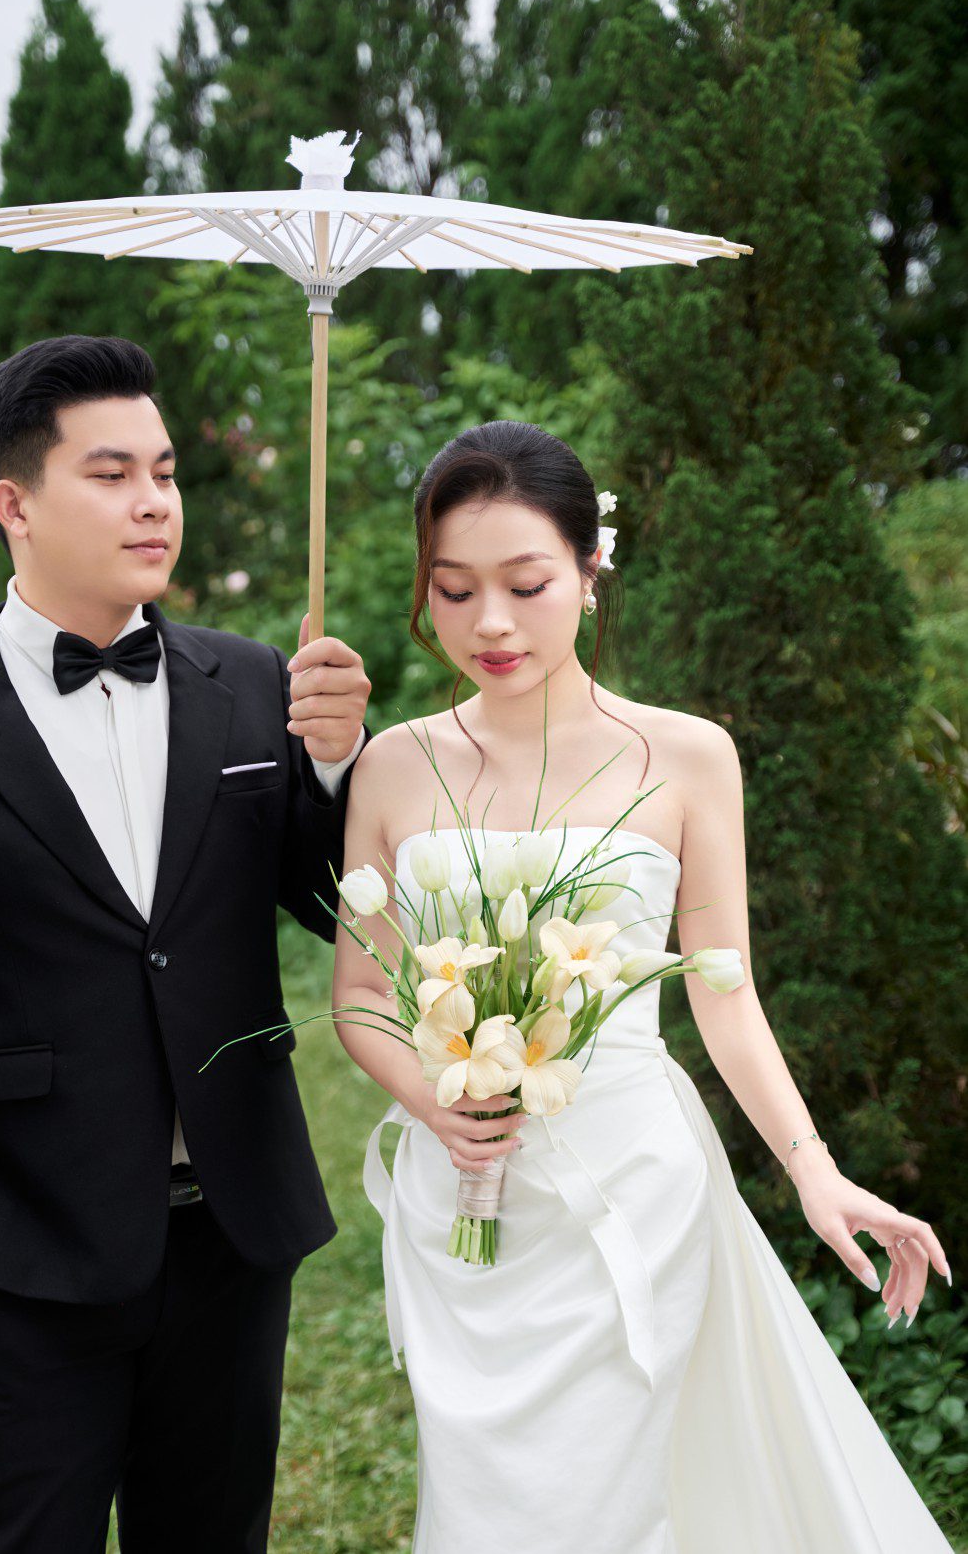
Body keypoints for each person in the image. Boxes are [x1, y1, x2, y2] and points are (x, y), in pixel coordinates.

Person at [331, 420, 955, 1552]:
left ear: (589, 570)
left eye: (526, 584)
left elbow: (726, 992)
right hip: (460, 1191)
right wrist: (436, 1103)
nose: (491, 623)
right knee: (484, 1503)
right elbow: (362, 992)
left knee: (615, 1499)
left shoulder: (689, 755)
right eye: (455, 590)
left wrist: (815, 1172)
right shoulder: (393, 762)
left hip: (630, 1178)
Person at [0, 334, 371, 1551]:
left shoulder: (253, 683)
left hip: (233, 1232)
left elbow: (337, 904)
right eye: (112, 474)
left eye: (164, 471)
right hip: (18, 1245)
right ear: (15, 503)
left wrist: (334, 766)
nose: (155, 500)